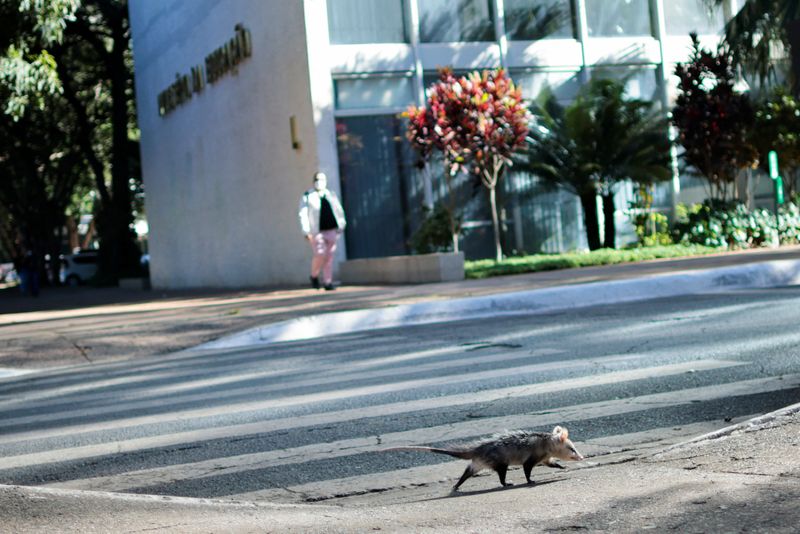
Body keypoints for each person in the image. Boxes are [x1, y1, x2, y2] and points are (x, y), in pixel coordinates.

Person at [298, 171, 346, 291]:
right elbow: (303, 214)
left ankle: (327, 282)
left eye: (322, 179)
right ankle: (314, 276)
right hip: (316, 231)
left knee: (329, 257)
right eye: (318, 179)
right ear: (314, 181)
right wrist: (306, 231)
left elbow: (339, 211)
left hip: (331, 230)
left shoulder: (331, 194)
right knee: (320, 254)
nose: (320, 182)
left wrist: (341, 226)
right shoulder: (308, 196)